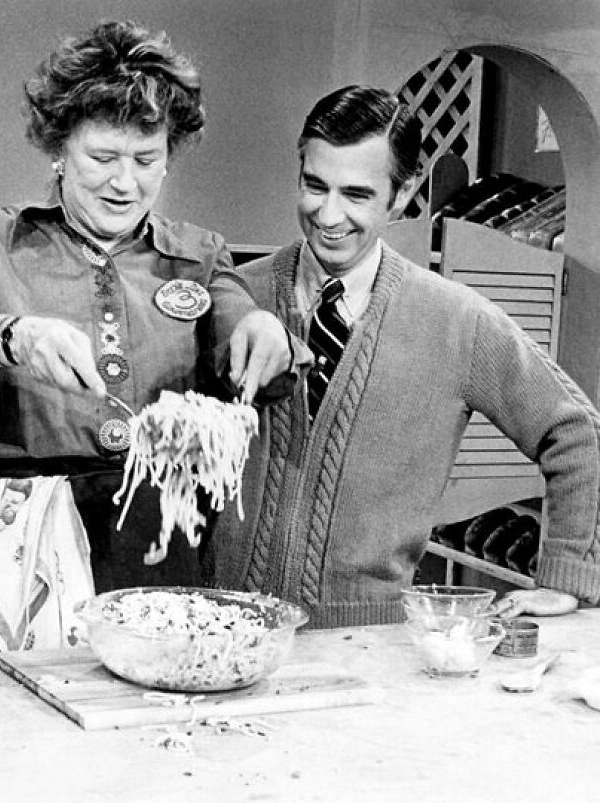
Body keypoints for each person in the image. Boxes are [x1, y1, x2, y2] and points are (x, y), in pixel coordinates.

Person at [0, 20, 306, 652]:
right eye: (103, 158)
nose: (125, 183)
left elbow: (244, 338)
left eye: (147, 160)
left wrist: (265, 334)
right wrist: (11, 338)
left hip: (159, 537)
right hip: (23, 539)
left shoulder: (198, 255)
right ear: (59, 148)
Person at [210, 85, 600, 627]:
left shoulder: (457, 320)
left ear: (402, 192)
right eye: (314, 185)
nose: (328, 214)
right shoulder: (235, 297)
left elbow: (577, 430)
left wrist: (566, 577)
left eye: (357, 194)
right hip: (219, 630)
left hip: (368, 651)